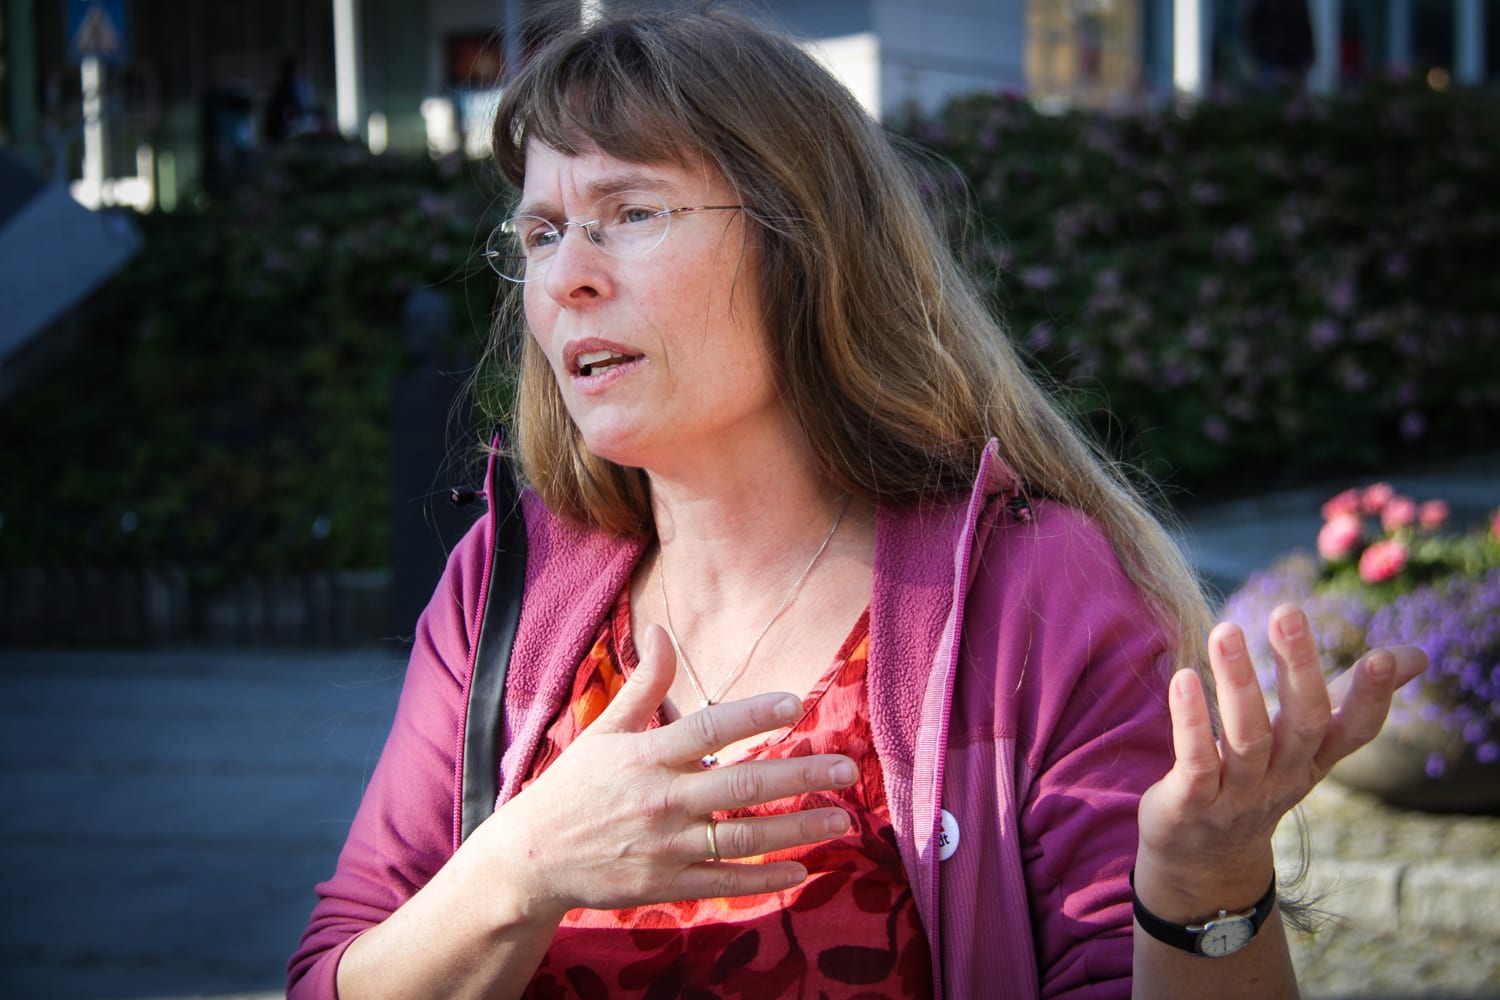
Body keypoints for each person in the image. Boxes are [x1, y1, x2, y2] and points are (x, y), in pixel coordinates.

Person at [288, 7, 1424, 998]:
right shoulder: (507, 583)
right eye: (541, 232)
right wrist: (518, 868)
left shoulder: (1027, 591)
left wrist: (1206, 887)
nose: (568, 273)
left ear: (802, 244)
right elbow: (335, 971)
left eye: (631, 212)